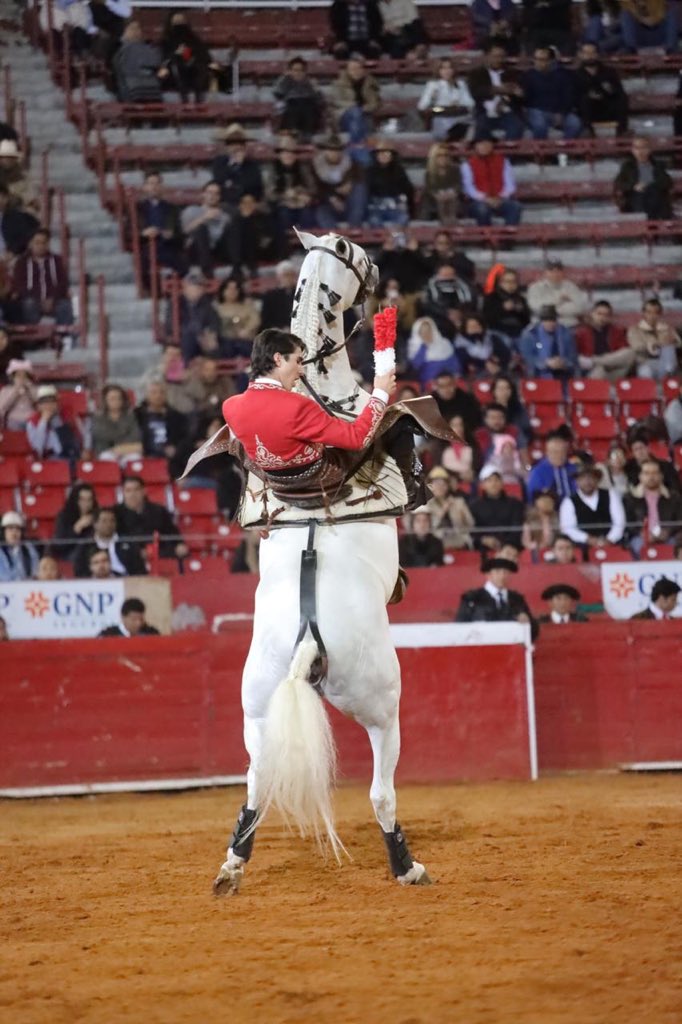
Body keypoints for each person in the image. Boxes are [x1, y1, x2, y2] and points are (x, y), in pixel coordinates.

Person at [220, 327, 395, 497]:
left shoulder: (229, 406)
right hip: (316, 477)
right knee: (395, 425)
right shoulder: (298, 405)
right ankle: (409, 493)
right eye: (298, 361)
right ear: (278, 359)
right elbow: (357, 438)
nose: (301, 370)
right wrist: (380, 392)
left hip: (272, 482)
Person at [455, 556, 539, 639]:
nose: (502, 576)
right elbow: (459, 628)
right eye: (497, 572)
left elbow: (533, 632)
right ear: (488, 575)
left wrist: (528, 622)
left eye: (506, 572)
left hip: (511, 647)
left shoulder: (517, 599)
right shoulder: (472, 598)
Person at [114, 475, 188, 560]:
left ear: (144, 491)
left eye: (136, 490)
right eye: (128, 491)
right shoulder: (115, 513)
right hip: (128, 556)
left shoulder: (159, 511)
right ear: (123, 493)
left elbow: (171, 532)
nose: (132, 494)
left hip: (160, 553)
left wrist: (179, 544)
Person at [11, 228, 73, 328]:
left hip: (54, 299)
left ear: (48, 244)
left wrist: (52, 298)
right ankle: (33, 340)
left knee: (65, 306)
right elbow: (19, 285)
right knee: (28, 304)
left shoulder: (56, 260)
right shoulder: (21, 262)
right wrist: (39, 299)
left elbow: (63, 282)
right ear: (31, 244)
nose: (40, 246)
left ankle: (64, 337)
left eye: (43, 243)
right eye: (37, 243)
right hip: (31, 299)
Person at [558, 462, 625, 550]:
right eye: (583, 478)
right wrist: (588, 539)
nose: (587, 482)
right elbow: (568, 529)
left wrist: (610, 539)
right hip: (582, 547)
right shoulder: (569, 502)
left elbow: (619, 522)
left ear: (597, 480)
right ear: (577, 481)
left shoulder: (611, 495)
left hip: (613, 544)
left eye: (590, 477)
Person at [467, 42, 525, 141]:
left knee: (517, 126)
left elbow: (520, 95)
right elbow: (476, 93)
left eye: (502, 57)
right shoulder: (476, 74)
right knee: (481, 128)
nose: (499, 60)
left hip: (507, 111)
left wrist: (518, 94)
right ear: (487, 56)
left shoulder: (513, 73)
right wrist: (499, 90)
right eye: (495, 56)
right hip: (485, 111)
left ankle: (508, 156)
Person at [521, 46, 582, 141]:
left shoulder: (563, 75)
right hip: (536, 110)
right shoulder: (528, 76)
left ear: (550, 61)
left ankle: (564, 152)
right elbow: (525, 100)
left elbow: (568, 96)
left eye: (542, 59)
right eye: (536, 59)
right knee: (539, 125)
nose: (538, 62)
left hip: (558, 111)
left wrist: (561, 112)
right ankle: (541, 154)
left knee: (575, 123)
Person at [623, 459, 682, 556]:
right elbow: (628, 522)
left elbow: (679, 520)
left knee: (675, 547)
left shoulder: (673, 497)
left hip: (669, 536)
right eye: (647, 473)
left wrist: (667, 531)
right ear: (640, 476)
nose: (651, 477)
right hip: (640, 537)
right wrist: (643, 534)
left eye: (655, 473)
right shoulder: (630, 497)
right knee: (638, 546)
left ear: (661, 476)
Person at [461, 134, 521, 228]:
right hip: (478, 201)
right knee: (482, 209)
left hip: (500, 199)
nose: (484, 146)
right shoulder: (467, 165)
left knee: (515, 207)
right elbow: (469, 188)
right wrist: (485, 199)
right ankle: (486, 239)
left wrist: (501, 197)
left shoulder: (503, 161)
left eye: (487, 143)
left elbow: (510, 184)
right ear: (475, 146)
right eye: (480, 144)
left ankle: (507, 238)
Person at [267, 137, 317, 244]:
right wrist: (285, 195)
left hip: (301, 204)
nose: (288, 155)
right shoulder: (273, 170)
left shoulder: (303, 169)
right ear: (280, 155)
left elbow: (313, 189)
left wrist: (304, 194)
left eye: (291, 153)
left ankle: (308, 248)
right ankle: (284, 250)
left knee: (308, 214)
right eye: (285, 153)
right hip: (281, 206)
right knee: (283, 215)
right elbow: (269, 194)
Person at [312, 133, 368, 230]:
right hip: (329, 204)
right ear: (325, 151)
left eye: (337, 150)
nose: (334, 153)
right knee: (320, 212)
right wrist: (332, 197)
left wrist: (350, 183)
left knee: (359, 189)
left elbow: (361, 177)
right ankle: (334, 239)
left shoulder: (351, 163)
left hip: (349, 202)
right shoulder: (316, 166)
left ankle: (353, 230)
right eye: (331, 150)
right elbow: (316, 188)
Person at [73, 506, 147, 578]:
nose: (109, 524)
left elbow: (139, 569)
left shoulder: (128, 543)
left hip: (126, 582)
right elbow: (79, 571)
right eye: (104, 521)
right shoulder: (85, 545)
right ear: (95, 524)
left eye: (112, 520)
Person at [136, 171, 184, 281]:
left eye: (157, 183)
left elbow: (180, 234)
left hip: (167, 246)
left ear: (162, 187)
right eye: (150, 183)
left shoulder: (172, 209)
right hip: (146, 246)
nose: (154, 187)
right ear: (144, 187)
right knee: (144, 263)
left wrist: (170, 234)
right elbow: (129, 232)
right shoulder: (137, 209)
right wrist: (143, 233)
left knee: (183, 265)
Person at [180, 182, 233, 279]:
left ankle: (240, 264)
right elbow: (184, 231)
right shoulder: (192, 210)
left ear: (219, 197)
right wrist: (204, 217)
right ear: (203, 194)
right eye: (209, 193)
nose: (212, 196)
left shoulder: (224, 216)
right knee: (201, 228)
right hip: (195, 250)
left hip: (216, 250)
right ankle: (207, 270)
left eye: (216, 193)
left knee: (233, 226)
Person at [614, 137, 674, 222]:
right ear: (633, 150)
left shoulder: (657, 165)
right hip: (637, 197)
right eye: (637, 148)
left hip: (655, 196)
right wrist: (634, 186)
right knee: (644, 196)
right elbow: (619, 183)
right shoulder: (628, 166)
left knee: (652, 191)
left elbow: (668, 182)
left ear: (649, 149)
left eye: (643, 147)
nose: (640, 151)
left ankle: (653, 225)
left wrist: (651, 185)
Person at [135, 380, 187, 476]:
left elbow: (184, 438)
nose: (158, 396)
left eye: (161, 392)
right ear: (147, 395)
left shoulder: (176, 416)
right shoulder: (138, 415)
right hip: (145, 455)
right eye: (154, 392)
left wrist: (175, 448)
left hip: (170, 459)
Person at [159, 9, 213, 103]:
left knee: (200, 68)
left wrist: (192, 58)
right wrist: (176, 54)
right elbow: (164, 60)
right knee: (177, 68)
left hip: (194, 71)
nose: (180, 26)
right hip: (174, 74)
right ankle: (185, 102)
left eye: (181, 22)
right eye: (176, 22)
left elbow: (205, 56)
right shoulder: (166, 41)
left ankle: (198, 102)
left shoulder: (194, 40)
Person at [575, 43, 629, 137]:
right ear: (580, 55)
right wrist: (589, 95)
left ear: (597, 54)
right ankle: (588, 131)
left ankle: (622, 130)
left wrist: (609, 90)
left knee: (622, 98)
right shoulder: (575, 74)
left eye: (592, 53)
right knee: (584, 100)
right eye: (586, 53)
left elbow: (619, 92)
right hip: (588, 110)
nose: (590, 56)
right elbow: (573, 94)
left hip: (607, 107)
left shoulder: (609, 72)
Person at [469, 465, 525, 554]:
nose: (493, 484)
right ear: (482, 485)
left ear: (502, 482)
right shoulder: (474, 506)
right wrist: (483, 540)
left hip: (511, 548)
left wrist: (507, 544)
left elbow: (517, 528)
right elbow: (471, 530)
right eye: (489, 480)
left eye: (496, 480)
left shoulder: (515, 504)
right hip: (483, 550)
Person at [170, 272, 223, 365]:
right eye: (192, 287)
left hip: (202, 338)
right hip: (183, 338)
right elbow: (171, 325)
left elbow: (214, 322)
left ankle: (212, 374)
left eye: (198, 287)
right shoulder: (176, 304)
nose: (195, 290)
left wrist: (210, 333)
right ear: (184, 288)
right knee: (188, 339)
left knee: (216, 344)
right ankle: (185, 369)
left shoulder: (207, 304)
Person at [417, 58, 475, 143]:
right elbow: (422, 106)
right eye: (443, 68)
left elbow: (470, 103)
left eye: (449, 68)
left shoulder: (460, 84)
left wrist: (458, 104)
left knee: (471, 123)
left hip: (458, 113)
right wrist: (433, 99)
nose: (447, 71)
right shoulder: (433, 85)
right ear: (438, 70)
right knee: (438, 112)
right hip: (440, 112)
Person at [625, 298, 681, 382]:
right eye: (649, 312)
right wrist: (654, 344)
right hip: (645, 362)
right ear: (643, 313)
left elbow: (679, 343)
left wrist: (670, 342)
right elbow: (636, 347)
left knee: (668, 346)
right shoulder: (635, 329)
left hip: (666, 362)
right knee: (645, 371)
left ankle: (668, 375)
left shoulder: (667, 328)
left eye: (656, 313)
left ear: (660, 314)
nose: (652, 316)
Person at [210, 124, 263, 210]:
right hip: (224, 205)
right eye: (232, 143)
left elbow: (255, 189)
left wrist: (240, 166)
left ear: (244, 146)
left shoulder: (252, 165)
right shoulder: (219, 162)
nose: (236, 147)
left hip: (246, 207)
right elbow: (220, 182)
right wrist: (235, 168)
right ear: (226, 146)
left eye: (240, 143)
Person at [331, 56, 381, 145]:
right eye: (353, 69)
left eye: (359, 68)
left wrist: (364, 109)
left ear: (363, 70)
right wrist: (354, 107)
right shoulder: (339, 84)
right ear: (347, 71)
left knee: (359, 117)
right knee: (356, 112)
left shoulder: (370, 84)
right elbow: (336, 102)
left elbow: (375, 103)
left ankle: (355, 144)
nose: (356, 71)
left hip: (365, 116)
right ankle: (358, 144)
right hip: (344, 116)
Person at [519, 305, 578, 380]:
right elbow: (526, 357)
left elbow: (572, 355)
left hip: (563, 372)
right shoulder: (530, 334)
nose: (550, 323)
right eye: (546, 320)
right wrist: (545, 363)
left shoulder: (565, 333)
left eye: (553, 320)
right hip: (538, 373)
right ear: (541, 321)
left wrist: (563, 362)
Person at [527, 260, 589, 330]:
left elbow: (580, 308)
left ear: (563, 272)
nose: (555, 274)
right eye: (551, 271)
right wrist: (559, 300)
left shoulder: (571, 287)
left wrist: (551, 310)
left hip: (568, 326)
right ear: (545, 272)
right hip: (542, 327)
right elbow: (537, 308)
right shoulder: (535, 287)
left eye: (558, 271)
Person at [366, 140, 415, 228]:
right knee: (374, 221)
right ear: (376, 155)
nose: (383, 155)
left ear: (392, 155)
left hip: (395, 206)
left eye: (387, 153)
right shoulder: (369, 171)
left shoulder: (399, 171)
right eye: (380, 153)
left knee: (403, 219)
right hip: (376, 207)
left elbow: (408, 190)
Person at [423, 466, 474, 549]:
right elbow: (429, 528)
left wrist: (463, 518)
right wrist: (443, 510)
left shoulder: (459, 502)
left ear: (448, 486)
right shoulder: (426, 505)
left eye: (443, 484)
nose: (440, 487)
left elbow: (471, 524)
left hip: (460, 542)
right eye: (436, 483)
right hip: (436, 544)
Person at [575, 300, 629, 379]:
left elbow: (622, 351)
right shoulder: (582, 332)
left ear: (610, 317)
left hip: (612, 367)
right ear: (592, 314)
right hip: (593, 370)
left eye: (606, 315)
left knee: (630, 352)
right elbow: (575, 355)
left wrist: (600, 361)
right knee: (600, 369)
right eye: (599, 314)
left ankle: (595, 361)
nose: (602, 318)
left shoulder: (617, 331)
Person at [273, 57, 323, 139]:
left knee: (308, 106)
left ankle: (307, 135)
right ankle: (293, 134)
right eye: (295, 70)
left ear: (305, 72)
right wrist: (284, 78)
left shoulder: (310, 83)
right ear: (290, 71)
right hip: (291, 107)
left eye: (301, 70)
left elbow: (320, 100)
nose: (298, 73)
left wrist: (316, 89)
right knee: (293, 106)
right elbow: (277, 94)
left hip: (309, 108)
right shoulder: (286, 81)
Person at [26, 384, 81, 461]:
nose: (49, 405)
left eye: (52, 401)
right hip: (46, 459)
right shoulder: (32, 421)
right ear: (38, 406)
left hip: (68, 456)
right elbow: (38, 448)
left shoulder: (66, 416)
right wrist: (43, 421)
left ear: (57, 404)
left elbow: (75, 441)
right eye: (44, 402)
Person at [113, 20, 163, 103]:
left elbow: (159, 68)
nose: (136, 31)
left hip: (153, 94)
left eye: (138, 28)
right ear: (125, 31)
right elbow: (119, 79)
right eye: (132, 28)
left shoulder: (150, 49)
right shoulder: (119, 51)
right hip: (133, 95)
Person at [91, 383, 143, 461]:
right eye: (112, 398)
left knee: (135, 458)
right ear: (105, 400)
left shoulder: (130, 417)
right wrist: (118, 445)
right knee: (107, 458)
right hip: (106, 451)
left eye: (119, 398)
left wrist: (120, 447)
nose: (116, 401)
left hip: (127, 451)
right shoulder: (98, 418)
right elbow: (103, 437)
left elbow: (135, 436)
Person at [482, 269, 530, 349]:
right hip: (498, 330)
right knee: (506, 341)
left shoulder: (520, 299)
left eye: (513, 281)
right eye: (507, 281)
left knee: (528, 339)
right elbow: (487, 318)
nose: (510, 285)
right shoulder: (491, 298)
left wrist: (520, 311)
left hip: (517, 331)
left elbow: (526, 321)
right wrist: (502, 309)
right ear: (500, 283)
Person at [407, 317, 461, 387]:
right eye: (423, 332)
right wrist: (424, 347)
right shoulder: (414, 348)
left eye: (428, 331)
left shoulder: (444, 343)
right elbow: (416, 367)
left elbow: (455, 366)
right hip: (428, 385)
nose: (426, 334)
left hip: (448, 382)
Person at [214, 277, 260, 357]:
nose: (232, 291)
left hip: (245, 339)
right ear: (223, 291)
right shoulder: (216, 308)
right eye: (229, 288)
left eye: (235, 289)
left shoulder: (247, 306)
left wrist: (246, 330)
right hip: (225, 341)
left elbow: (255, 320)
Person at [455, 312, 511, 378]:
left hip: (498, 367)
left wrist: (496, 361)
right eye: (471, 327)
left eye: (477, 325)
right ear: (465, 328)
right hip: (476, 373)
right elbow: (465, 360)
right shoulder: (460, 343)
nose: (474, 328)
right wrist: (485, 364)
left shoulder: (491, 337)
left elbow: (505, 353)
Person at [527, 431, 578, 500]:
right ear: (547, 452)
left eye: (562, 451)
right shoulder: (538, 472)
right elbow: (534, 498)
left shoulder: (574, 469)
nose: (559, 455)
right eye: (555, 452)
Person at [54, 483, 98, 560]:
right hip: (71, 556)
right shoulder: (64, 516)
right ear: (75, 500)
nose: (86, 504)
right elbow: (59, 545)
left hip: (95, 555)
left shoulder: (98, 515)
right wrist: (77, 528)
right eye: (82, 499)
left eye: (89, 499)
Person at [419, 144, 461, 225]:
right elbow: (430, 188)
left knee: (452, 200)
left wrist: (451, 192)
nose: (443, 158)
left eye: (446, 155)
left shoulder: (455, 169)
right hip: (434, 200)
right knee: (441, 201)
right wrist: (438, 195)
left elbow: (458, 185)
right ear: (434, 157)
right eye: (439, 155)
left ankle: (451, 220)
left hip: (452, 197)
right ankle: (445, 222)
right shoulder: (429, 173)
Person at [490, 374, 532, 448]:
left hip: (516, 446)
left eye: (507, 388)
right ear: (494, 391)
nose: (503, 391)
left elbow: (526, 430)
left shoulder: (519, 410)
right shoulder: (488, 410)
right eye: (500, 388)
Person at [0, 183, 39, 256]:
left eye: (2, 196)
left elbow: (26, 237)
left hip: (11, 256)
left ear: (6, 198)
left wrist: (12, 252)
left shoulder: (17, 217)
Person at [0, 510, 39, 581]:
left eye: (18, 529)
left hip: (27, 587)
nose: (14, 533)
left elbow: (35, 570)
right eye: (10, 528)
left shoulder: (28, 548)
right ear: (3, 532)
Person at [260, 260, 298, 331]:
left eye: (291, 275)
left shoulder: (300, 294)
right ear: (279, 277)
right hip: (276, 332)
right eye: (286, 275)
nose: (289, 278)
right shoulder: (270, 296)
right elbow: (265, 319)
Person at [0, 358, 37, 430]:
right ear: (12, 377)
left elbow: (39, 403)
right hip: (14, 419)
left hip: (31, 418)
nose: (22, 378)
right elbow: (2, 408)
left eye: (24, 376)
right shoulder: (6, 390)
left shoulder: (34, 388)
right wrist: (16, 390)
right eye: (18, 375)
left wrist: (29, 389)